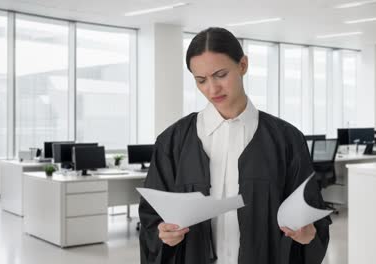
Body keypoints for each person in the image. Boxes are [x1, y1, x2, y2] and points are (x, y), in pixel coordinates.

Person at [139, 27, 331, 264]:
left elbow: (313, 216)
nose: (212, 88)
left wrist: (308, 234)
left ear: (243, 65)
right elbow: (151, 219)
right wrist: (163, 234)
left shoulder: (286, 139)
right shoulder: (173, 142)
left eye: (220, 74)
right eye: (201, 80)